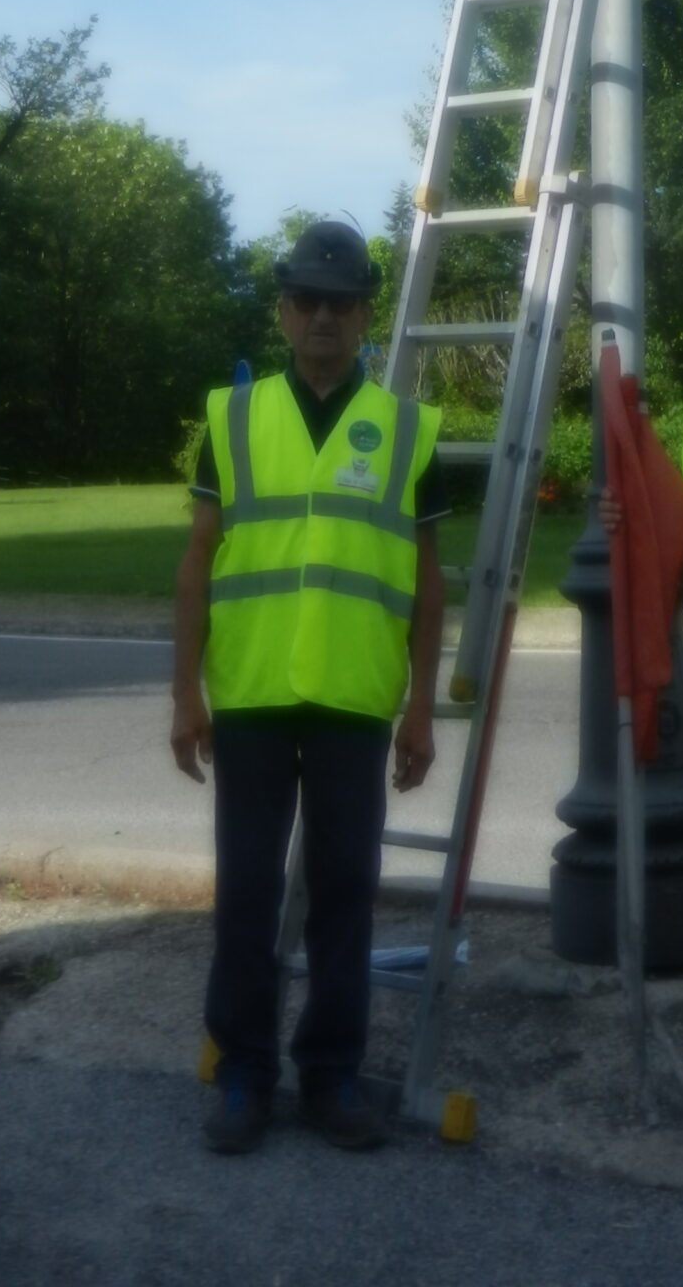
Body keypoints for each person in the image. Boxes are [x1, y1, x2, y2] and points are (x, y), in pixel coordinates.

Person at [171, 219, 446, 1155]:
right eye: (307, 301)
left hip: (355, 699)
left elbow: (428, 576)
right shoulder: (233, 417)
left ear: (368, 315)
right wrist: (182, 695)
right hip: (248, 695)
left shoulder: (407, 428)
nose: (324, 316)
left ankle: (331, 1076)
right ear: (284, 314)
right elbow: (200, 558)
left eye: (342, 302)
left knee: (344, 892)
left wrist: (419, 706)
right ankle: (243, 1073)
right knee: (248, 892)